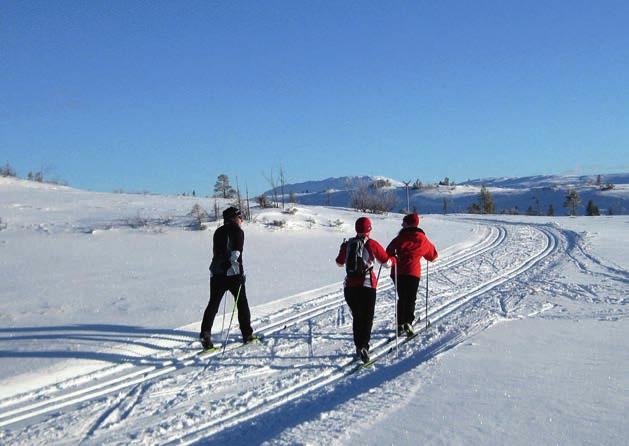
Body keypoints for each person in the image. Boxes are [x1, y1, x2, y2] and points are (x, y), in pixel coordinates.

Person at [336, 216, 396, 363]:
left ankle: (359, 346)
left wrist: (343, 248)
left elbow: (339, 263)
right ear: (369, 229)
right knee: (367, 317)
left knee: (357, 317)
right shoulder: (372, 244)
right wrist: (394, 259)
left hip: (349, 286)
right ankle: (364, 346)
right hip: (367, 285)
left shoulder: (348, 244)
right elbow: (386, 263)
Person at [199, 207, 256, 349]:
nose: (241, 219)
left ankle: (205, 334)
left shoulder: (218, 231)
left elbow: (217, 252)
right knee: (242, 303)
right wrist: (239, 273)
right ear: (233, 218)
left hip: (216, 273)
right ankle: (247, 335)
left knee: (213, 304)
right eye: (239, 216)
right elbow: (236, 253)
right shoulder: (238, 231)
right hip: (233, 274)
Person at [386, 213, 438, 337]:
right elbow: (433, 256)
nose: (402, 225)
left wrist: (394, 256)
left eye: (404, 222)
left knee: (402, 297)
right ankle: (408, 322)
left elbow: (388, 251)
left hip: (397, 272)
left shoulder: (399, 238)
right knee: (410, 298)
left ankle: (399, 324)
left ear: (409, 224)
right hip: (412, 272)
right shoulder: (422, 238)